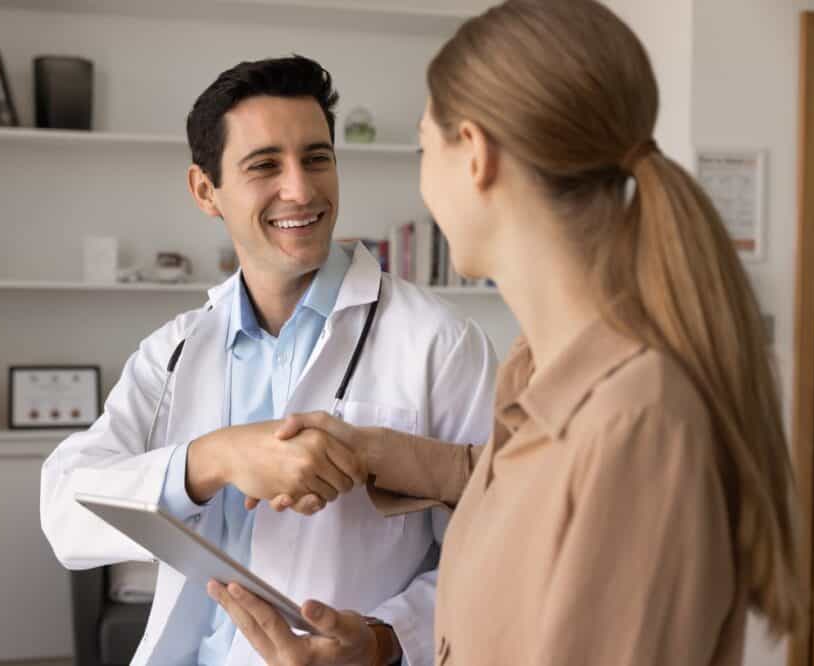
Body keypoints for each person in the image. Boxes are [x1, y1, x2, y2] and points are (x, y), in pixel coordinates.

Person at [206, 2, 804, 665]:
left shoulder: (637, 422)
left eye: (424, 145)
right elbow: (502, 482)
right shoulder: (540, 372)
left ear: (476, 156)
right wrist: (364, 451)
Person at [39, 55, 498, 666]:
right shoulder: (172, 351)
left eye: (317, 158)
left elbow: (500, 549)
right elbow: (65, 511)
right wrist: (216, 457)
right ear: (206, 192)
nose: (301, 189)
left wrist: (385, 640)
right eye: (264, 165)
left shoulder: (438, 342)